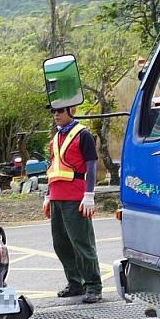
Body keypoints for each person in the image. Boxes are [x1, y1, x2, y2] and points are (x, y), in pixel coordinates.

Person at [43, 100, 103, 303]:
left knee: (82, 243)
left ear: (72, 110)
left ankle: (93, 286)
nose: (56, 114)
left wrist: (89, 195)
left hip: (75, 197)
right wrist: (48, 195)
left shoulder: (83, 134)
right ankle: (75, 283)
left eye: (60, 110)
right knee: (61, 244)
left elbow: (92, 166)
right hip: (57, 197)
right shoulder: (57, 136)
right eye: (53, 111)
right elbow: (53, 168)